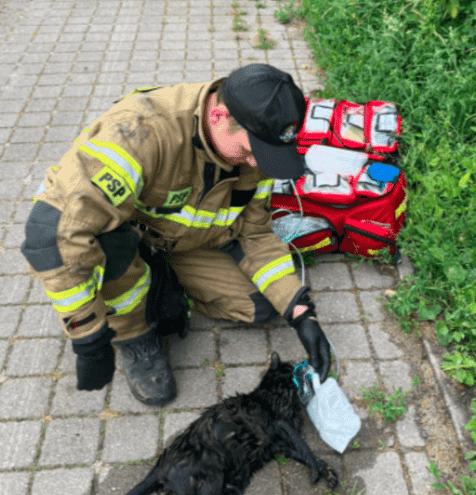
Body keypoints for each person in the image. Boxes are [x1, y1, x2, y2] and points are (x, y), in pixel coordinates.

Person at [21, 64, 332, 406]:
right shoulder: (140, 132)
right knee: (106, 244)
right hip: (127, 237)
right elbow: (49, 236)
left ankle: (160, 282)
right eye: (249, 151)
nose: (256, 162)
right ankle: (134, 335)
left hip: (183, 242)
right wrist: (88, 338)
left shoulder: (257, 146)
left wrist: (300, 310)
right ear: (218, 116)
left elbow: (255, 233)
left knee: (260, 305)